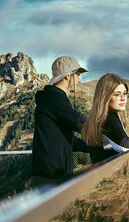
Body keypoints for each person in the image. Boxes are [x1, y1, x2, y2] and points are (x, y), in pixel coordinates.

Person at [31, 55, 90, 187]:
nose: (79, 80)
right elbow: (80, 123)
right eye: (78, 75)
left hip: (52, 176)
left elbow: (70, 140)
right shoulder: (54, 99)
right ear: (67, 76)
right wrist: (114, 138)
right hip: (50, 178)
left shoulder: (53, 99)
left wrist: (100, 147)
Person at [82, 73, 129, 163]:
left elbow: (116, 142)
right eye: (117, 94)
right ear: (105, 96)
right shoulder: (110, 119)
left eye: (125, 94)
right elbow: (124, 144)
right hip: (104, 174)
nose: (123, 98)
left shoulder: (101, 118)